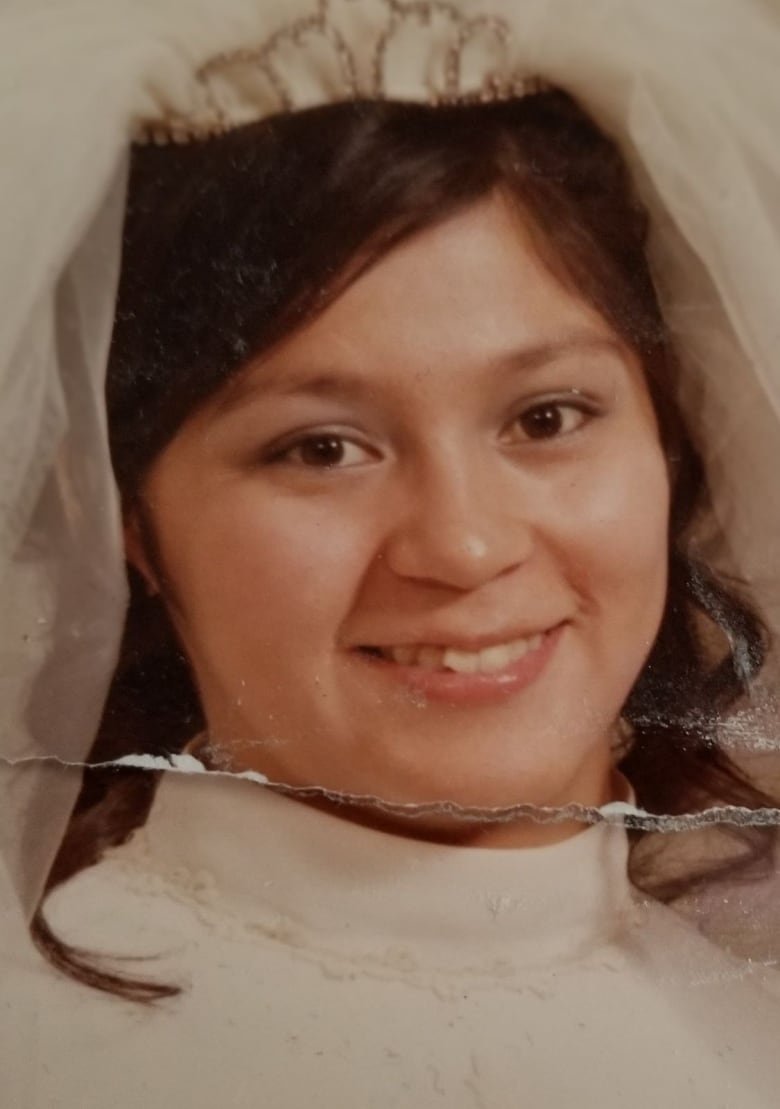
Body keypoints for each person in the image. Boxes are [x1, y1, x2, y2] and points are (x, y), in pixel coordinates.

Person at [1, 1, 779, 1106]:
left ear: (667, 443)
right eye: (320, 447)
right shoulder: (42, 1056)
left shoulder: (749, 1017)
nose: (462, 544)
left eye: (548, 416)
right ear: (128, 520)